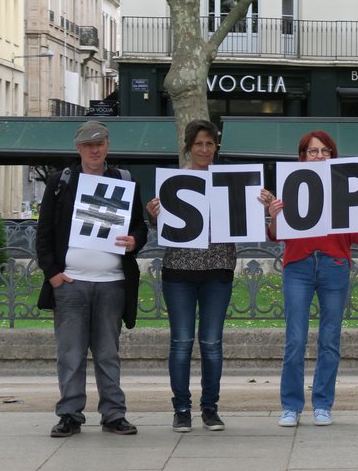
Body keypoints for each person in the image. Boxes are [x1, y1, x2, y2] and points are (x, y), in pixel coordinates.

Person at [263, 131, 358, 428]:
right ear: (302, 156)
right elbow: (275, 235)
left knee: (330, 339)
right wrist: (273, 216)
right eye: (313, 152)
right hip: (299, 265)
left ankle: (322, 404)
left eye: (325, 152)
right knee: (295, 339)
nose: (319, 157)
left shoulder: (343, 187)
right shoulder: (291, 186)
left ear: (333, 156)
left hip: (334, 263)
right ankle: (291, 406)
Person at [36, 120, 148, 437]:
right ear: (78, 148)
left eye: (99, 143)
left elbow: (140, 226)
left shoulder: (124, 181)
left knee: (107, 354)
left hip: (112, 282)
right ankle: (70, 414)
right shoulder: (61, 182)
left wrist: (135, 240)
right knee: (70, 354)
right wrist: (54, 275)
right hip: (71, 283)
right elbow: (43, 234)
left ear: (108, 145)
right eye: (88, 144)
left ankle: (113, 413)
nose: (94, 149)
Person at [144, 120, 233, 432]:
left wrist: (258, 203)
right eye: (199, 144)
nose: (205, 150)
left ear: (216, 147)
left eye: (210, 144)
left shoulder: (228, 182)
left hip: (218, 269)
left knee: (211, 342)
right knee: (181, 341)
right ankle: (181, 407)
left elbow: (244, 222)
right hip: (179, 271)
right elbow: (164, 229)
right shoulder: (174, 182)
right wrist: (153, 216)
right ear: (189, 147)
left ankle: (210, 407)